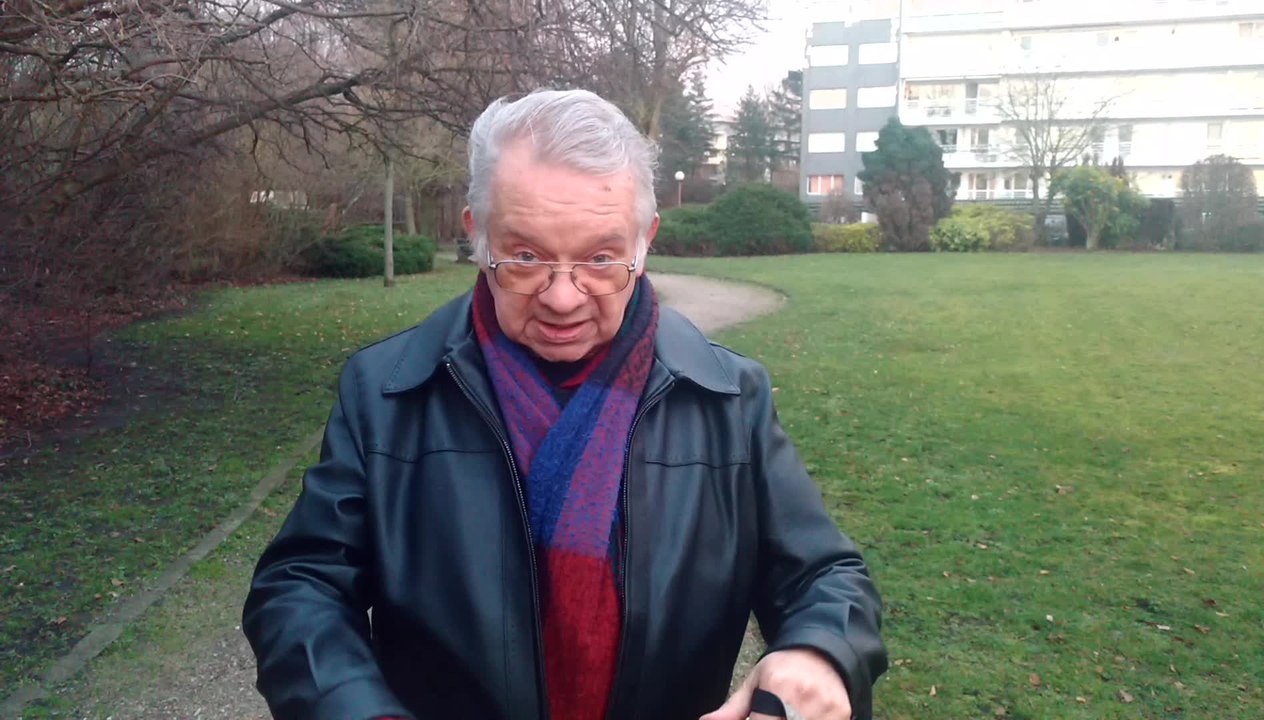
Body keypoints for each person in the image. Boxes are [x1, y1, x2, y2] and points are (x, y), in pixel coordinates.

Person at [242, 88, 888, 720]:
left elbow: (823, 573)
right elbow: (302, 585)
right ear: (477, 232)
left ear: (645, 241)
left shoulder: (728, 397)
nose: (562, 297)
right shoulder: (387, 388)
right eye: (524, 257)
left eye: (601, 259)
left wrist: (819, 654)